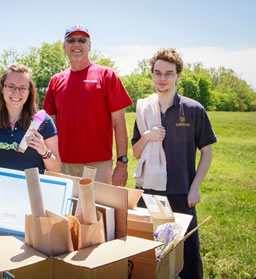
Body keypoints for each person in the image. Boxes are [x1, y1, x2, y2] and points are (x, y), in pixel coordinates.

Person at [132, 48, 216, 279]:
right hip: (148, 193)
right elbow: (136, 153)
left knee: (188, 255)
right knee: (150, 253)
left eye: (168, 73)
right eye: (157, 73)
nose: (162, 78)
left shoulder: (193, 109)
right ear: (152, 75)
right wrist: (148, 136)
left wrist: (195, 187)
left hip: (181, 193)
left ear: (178, 75)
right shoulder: (144, 109)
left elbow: (207, 152)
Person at [43, 24, 133, 185]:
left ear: (89, 45)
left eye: (81, 40)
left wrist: (122, 164)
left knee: (98, 210)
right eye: (71, 40)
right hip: (63, 165)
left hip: (98, 165)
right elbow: (50, 127)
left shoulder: (107, 75)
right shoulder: (56, 81)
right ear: (64, 46)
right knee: (64, 211)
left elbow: (120, 123)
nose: (76, 44)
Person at [0, 64, 61, 173]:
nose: (17, 93)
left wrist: (44, 151)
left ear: (29, 91)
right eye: (11, 86)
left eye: (22, 88)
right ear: (2, 88)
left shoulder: (44, 122)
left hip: (32, 187)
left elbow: (56, 168)